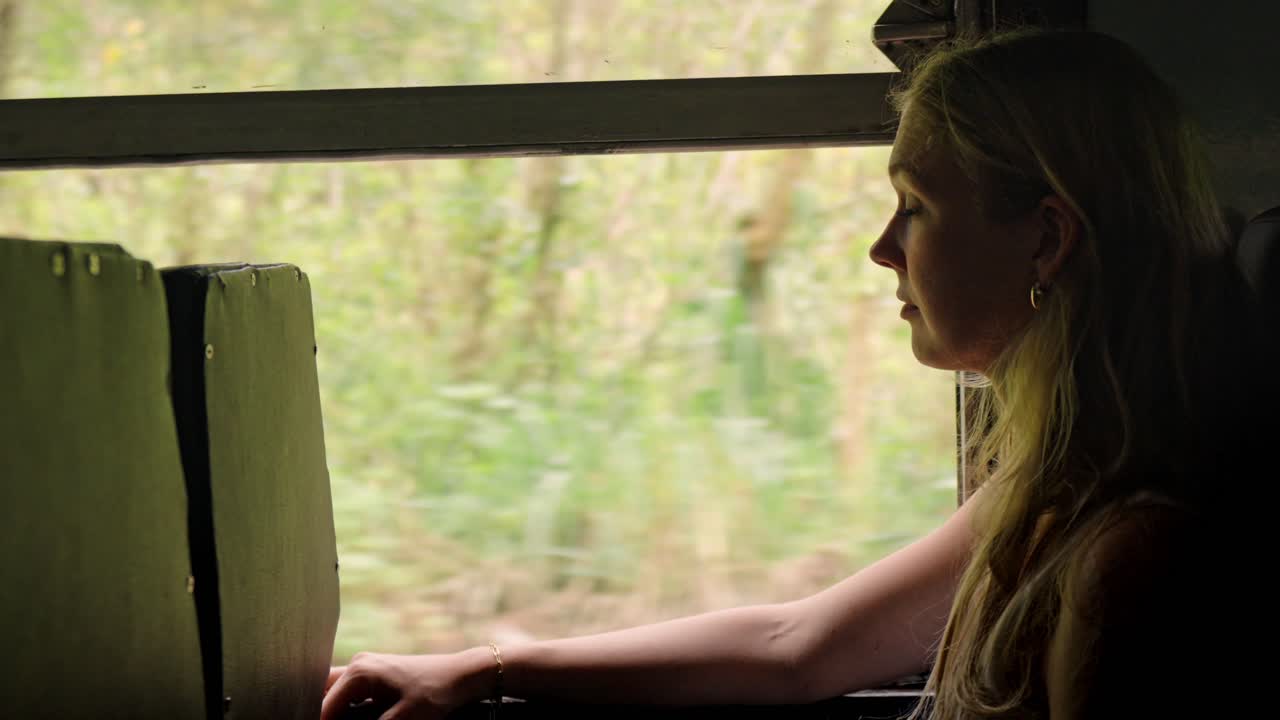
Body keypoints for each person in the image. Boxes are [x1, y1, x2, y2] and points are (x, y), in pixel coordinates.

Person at [322, 30, 1275, 720]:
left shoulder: (1129, 557)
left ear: (1047, 238)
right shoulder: (1054, 492)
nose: (880, 250)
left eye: (916, 208)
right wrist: (488, 666)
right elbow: (798, 647)